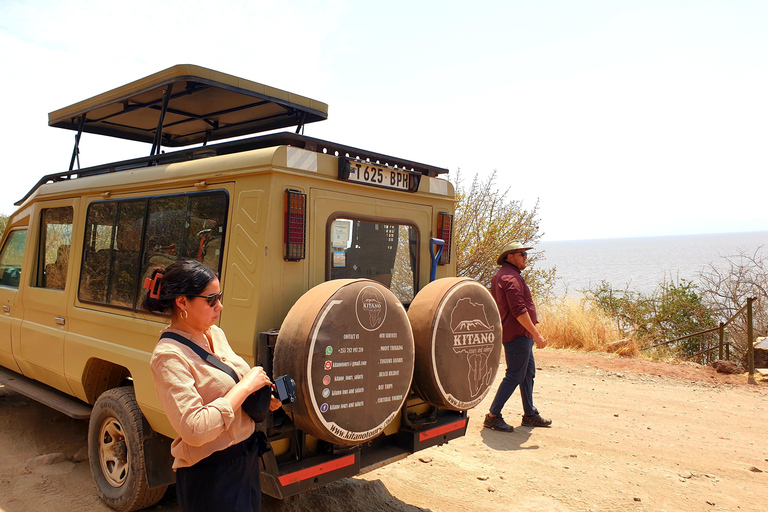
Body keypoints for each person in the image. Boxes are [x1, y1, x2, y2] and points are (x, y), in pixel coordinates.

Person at [144, 260, 281, 512]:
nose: (220, 306)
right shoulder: (169, 356)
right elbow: (194, 430)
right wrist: (245, 386)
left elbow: (228, 386)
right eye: (211, 300)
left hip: (245, 462)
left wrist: (261, 395)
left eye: (220, 296)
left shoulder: (214, 333)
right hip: (211, 474)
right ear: (182, 302)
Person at [484, 242, 552, 432]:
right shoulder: (510, 279)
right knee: (515, 375)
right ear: (510, 257)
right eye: (522, 254)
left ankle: (530, 415)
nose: (525, 257)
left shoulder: (505, 276)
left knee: (528, 373)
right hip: (517, 336)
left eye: (525, 254)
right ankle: (492, 416)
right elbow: (518, 311)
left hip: (521, 335)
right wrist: (537, 335)